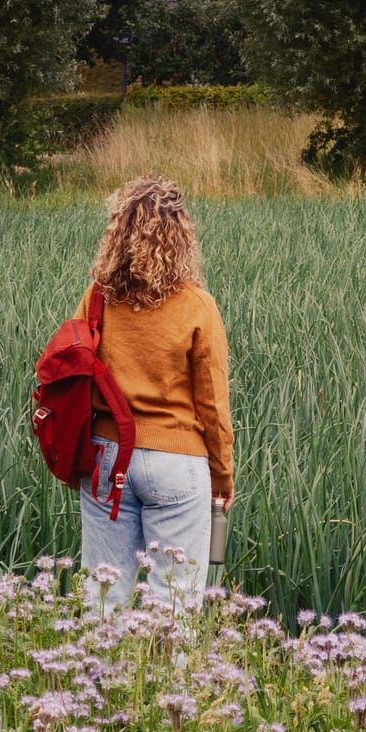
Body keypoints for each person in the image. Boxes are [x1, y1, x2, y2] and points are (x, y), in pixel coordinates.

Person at [76, 175, 232, 610]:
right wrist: (222, 477)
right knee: (174, 605)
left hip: (107, 458)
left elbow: (76, 372)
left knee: (104, 598)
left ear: (118, 233)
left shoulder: (98, 299)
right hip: (177, 465)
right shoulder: (198, 305)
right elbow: (213, 405)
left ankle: (98, 679)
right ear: (181, 236)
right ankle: (170, 680)